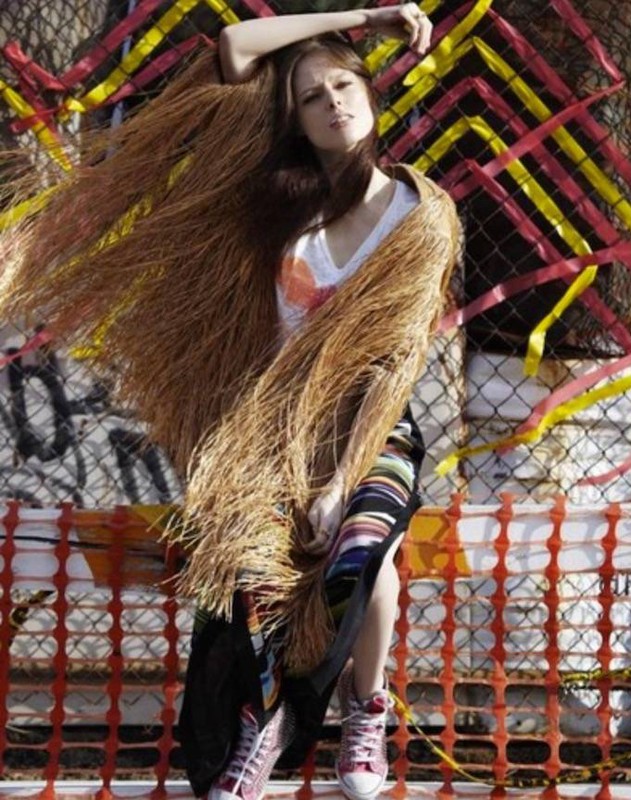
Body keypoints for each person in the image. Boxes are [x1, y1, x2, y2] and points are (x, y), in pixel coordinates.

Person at [0, 5, 458, 799]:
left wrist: (336, 479)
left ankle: (365, 711)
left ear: (372, 94)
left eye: (344, 85)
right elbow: (235, 46)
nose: (332, 104)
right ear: (294, 119)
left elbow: (392, 362)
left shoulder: (419, 216)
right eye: (311, 97)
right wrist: (366, 16)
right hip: (264, 432)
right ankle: (263, 726)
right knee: (251, 567)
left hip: (369, 424)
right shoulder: (276, 199)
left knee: (361, 548)